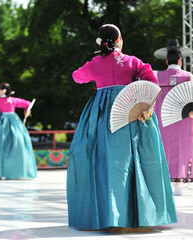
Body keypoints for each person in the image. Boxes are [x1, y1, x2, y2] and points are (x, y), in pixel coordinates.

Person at [67, 24, 177, 232]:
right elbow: (152, 81)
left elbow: (76, 76)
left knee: (103, 163)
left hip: (101, 116)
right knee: (135, 161)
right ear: (119, 40)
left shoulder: (94, 63)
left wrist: (94, 66)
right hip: (130, 112)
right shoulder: (131, 61)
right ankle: (138, 214)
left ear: (101, 43)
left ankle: (109, 215)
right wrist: (147, 106)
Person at [153, 39, 193, 196]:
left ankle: (163, 182)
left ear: (167, 61)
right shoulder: (189, 77)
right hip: (183, 120)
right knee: (182, 149)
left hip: (162, 120)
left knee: (163, 149)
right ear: (180, 61)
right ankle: (179, 184)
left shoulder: (156, 76)